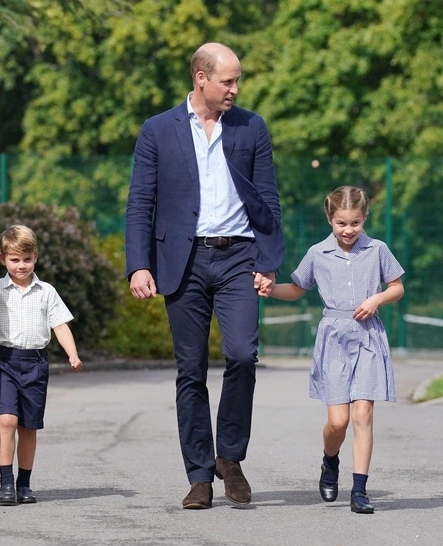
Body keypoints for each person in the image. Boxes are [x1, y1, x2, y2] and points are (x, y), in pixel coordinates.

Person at [124, 42, 285, 510]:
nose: (235, 89)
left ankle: (229, 457)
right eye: (227, 81)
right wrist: (139, 264)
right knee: (190, 371)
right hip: (183, 261)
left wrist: (267, 260)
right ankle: (199, 475)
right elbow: (140, 204)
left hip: (239, 257)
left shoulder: (251, 127)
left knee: (241, 355)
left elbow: (268, 199)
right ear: (200, 77)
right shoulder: (157, 130)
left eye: (237, 81)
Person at [270, 186, 404, 514]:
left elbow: (397, 287)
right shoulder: (318, 253)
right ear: (330, 219)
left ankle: (359, 490)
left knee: (362, 414)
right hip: (333, 339)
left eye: (355, 223)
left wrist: (377, 299)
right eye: (341, 223)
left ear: (365, 218)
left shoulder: (378, 249)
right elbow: (298, 289)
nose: (348, 230)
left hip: (369, 338)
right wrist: (269, 289)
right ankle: (330, 462)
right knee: (338, 422)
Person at [0, 225, 82, 505]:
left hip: (35, 362)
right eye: (14, 260)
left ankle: (24, 483)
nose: (21, 266)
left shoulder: (46, 291)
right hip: (6, 360)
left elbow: (60, 325)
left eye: (27, 259)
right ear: (2, 259)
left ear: (35, 257)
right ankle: (6, 482)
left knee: (28, 427)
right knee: (6, 419)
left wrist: (72, 354)